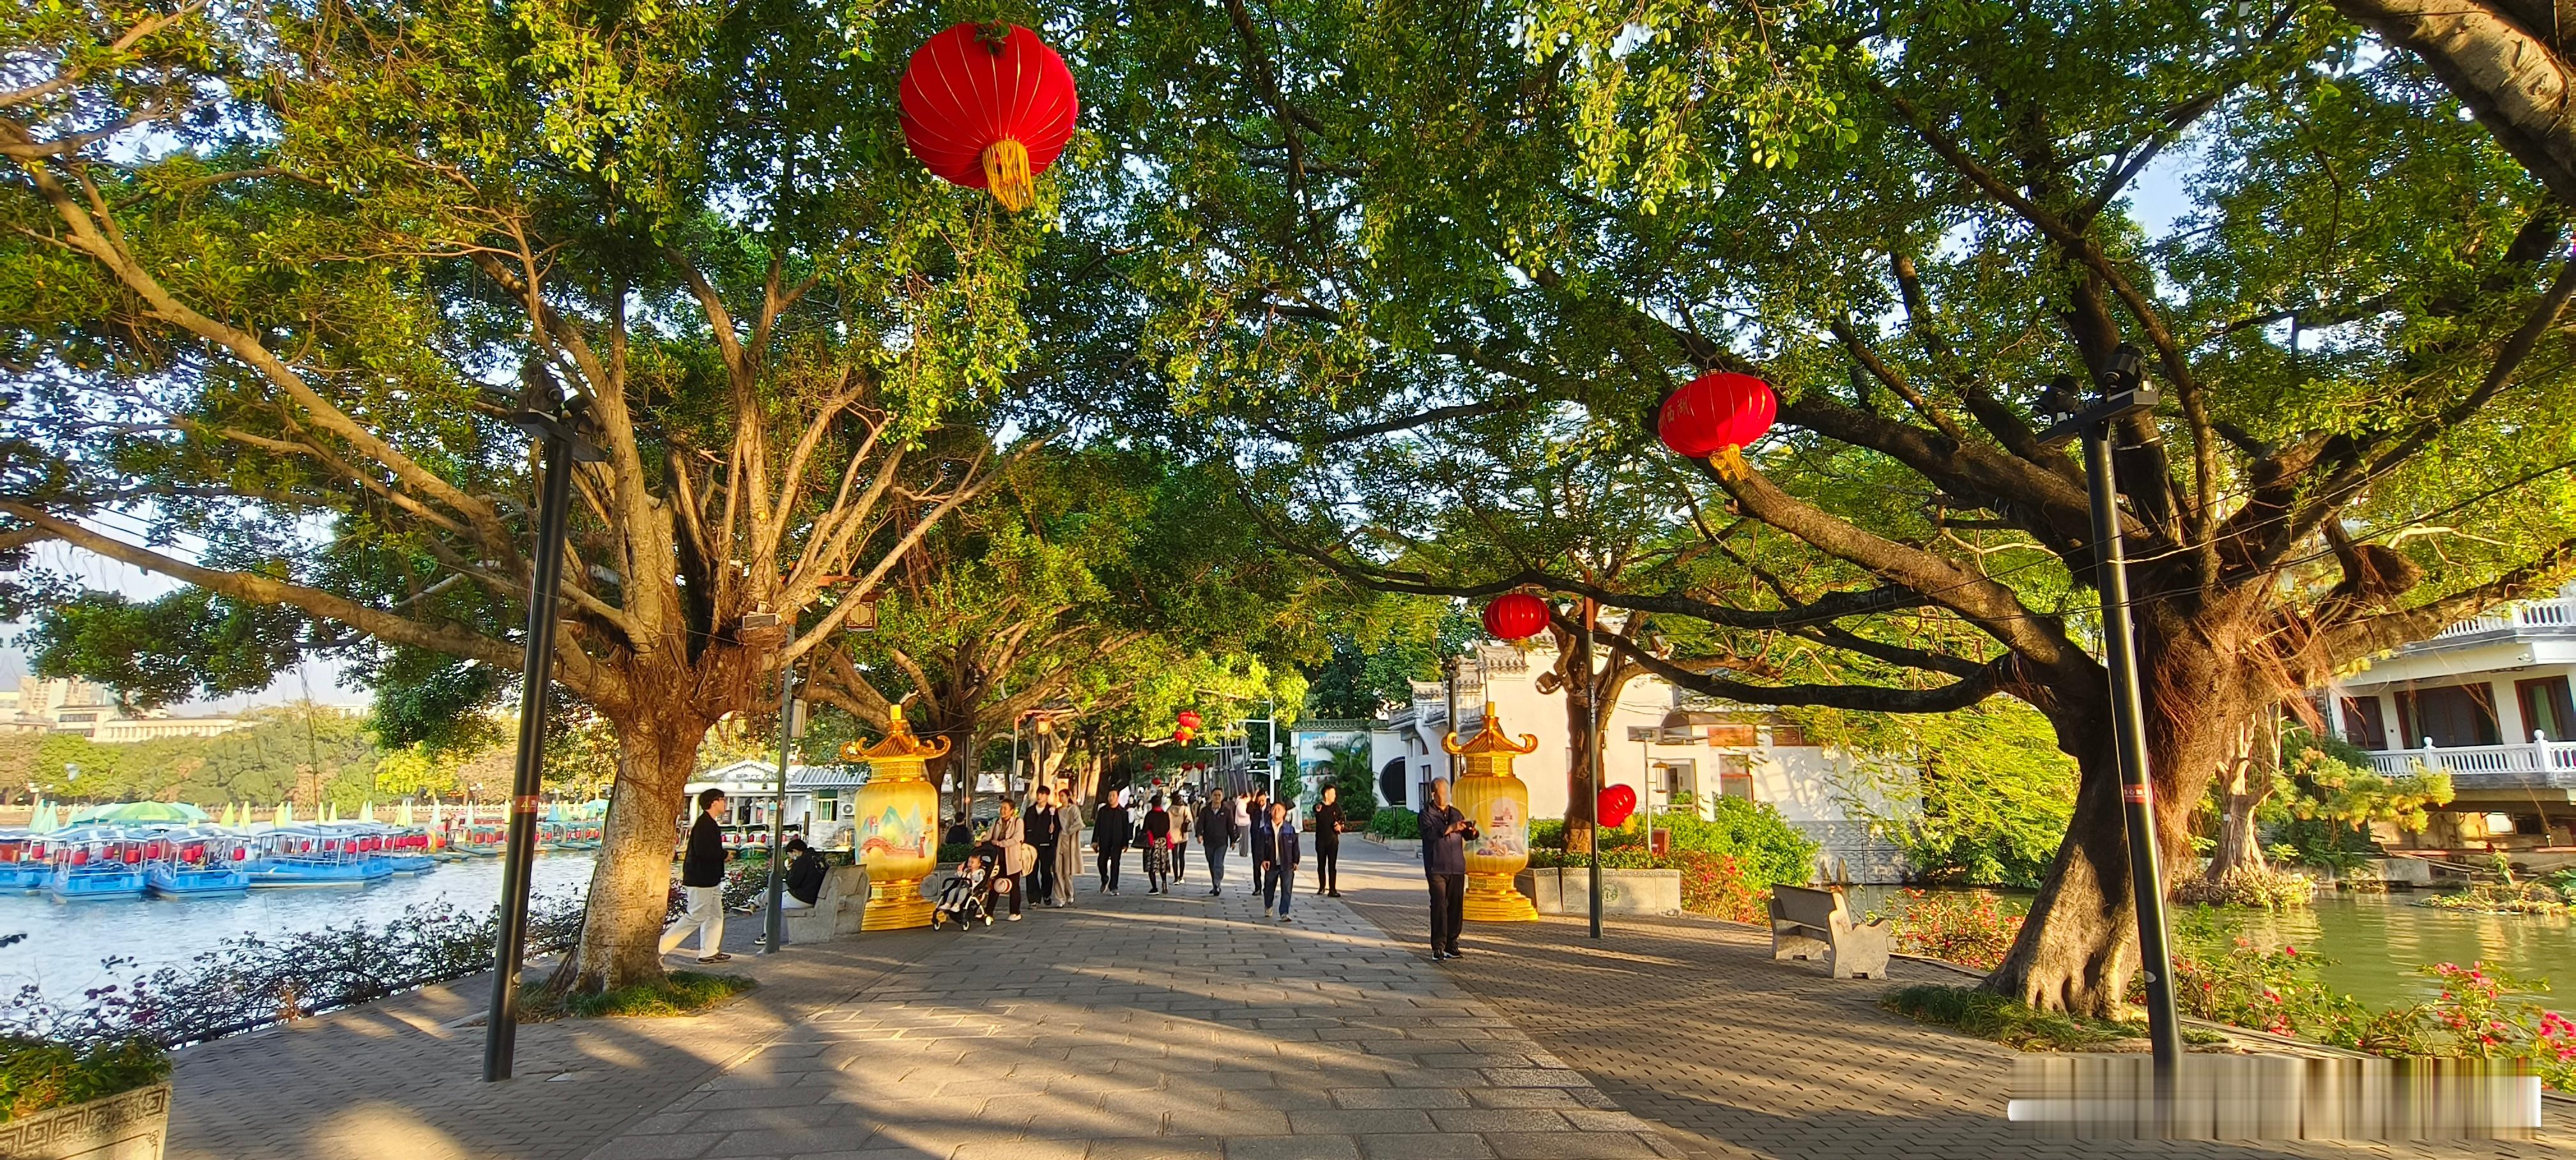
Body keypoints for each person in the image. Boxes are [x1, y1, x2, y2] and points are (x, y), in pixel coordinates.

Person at [659, 788, 733, 963]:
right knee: (696, 915)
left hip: (711, 879)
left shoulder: (710, 823)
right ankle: (660, 947)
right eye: (723, 800)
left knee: (715, 915)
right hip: (700, 879)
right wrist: (724, 855)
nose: (725, 803)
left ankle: (709, 951)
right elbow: (704, 851)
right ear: (714, 802)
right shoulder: (704, 825)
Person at [1420, 777, 1477, 960]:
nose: (1446, 797)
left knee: (1456, 907)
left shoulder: (1456, 813)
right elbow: (1429, 834)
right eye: (1443, 793)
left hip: (1457, 867)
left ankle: (1452, 943)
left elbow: (1467, 836)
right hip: (1437, 867)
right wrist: (1450, 828)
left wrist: (1471, 832)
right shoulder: (1426, 814)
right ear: (1434, 794)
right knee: (1439, 905)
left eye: (1448, 793)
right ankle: (1438, 946)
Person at [1253, 800, 1301, 922]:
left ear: (1285, 812)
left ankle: (1284, 912)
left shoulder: (1290, 829)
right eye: (1274, 809)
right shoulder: (1264, 830)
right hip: (1271, 864)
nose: (1276, 811)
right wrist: (1263, 860)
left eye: (1279, 809)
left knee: (1287, 888)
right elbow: (1259, 847)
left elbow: (1296, 846)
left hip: (1287, 864)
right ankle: (1268, 905)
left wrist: (1296, 861)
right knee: (1269, 888)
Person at [988, 798, 1027, 920]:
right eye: (1001, 808)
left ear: (1012, 811)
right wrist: (982, 842)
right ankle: (988, 912)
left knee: (1014, 885)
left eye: (1005, 808)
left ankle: (1015, 912)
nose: (1002, 811)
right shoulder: (997, 823)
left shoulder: (1018, 822)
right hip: (998, 859)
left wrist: (1000, 843)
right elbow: (989, 836)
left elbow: (1017, 838)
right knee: (995, 885)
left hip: (1013, 859)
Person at [1048, 782, 1084, 906]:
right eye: (1059, 796)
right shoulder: (1056, 812)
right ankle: (1060, 898)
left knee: (1067, 872)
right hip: (1058, 844)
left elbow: (1079, 823)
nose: (1061, 798)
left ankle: (1070, 894)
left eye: (1062, 796)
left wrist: (1068, 830)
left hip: (1069, 844)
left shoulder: (1073, 809)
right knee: (1057, 871)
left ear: (1068, 797)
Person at [1197, 790, 1238, 895]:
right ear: (1211, 796)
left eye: (1219, 795)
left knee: (1218, 864)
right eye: (1215, 795)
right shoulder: (1205, 810)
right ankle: (1215, 884)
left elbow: (1231, 826)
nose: (1217, 797)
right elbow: (1200, 823)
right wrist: (1199, 835)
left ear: (1223, 797)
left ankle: (1217, 884)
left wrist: (1233, 840)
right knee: (1211, 864)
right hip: (1209, 841)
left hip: (1221, 842)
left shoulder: (1227, 811)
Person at [1092, 790, 1132, 895]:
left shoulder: (1123, 812)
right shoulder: (1102, 811)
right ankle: (1104, 878)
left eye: (1113, 796)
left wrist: (1125, 843)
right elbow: (1097, 826)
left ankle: (1113, 886)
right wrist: (1094, 841)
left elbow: (1126, 829)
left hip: (1117, 842)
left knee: (1115, 863)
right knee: (1101, 862)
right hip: (1104, 840)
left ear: (1118, 797)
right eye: (1109, 795)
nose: (1111, 798)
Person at [1026, 787, 1061, 904]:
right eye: (1038, 793)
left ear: (1047, 796)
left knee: (1045, 871)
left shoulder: (1052, 812)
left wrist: (1053, 842)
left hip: (1047, 845)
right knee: (1031, 872)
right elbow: (1025, 827)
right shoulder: (1030, 811)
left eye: (1042, 794)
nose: (1040, 796)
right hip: (1031, 845)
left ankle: (1046, 893)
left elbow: (1058, 829)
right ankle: (1033, 898)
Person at [1312, 785, 1346, 897]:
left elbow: (1342, 820)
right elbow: (1315, 809)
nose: (1335, 796)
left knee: (1332, 865)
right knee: (1321, 864)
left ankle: (1333, 889)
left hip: (1333, 841)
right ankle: (1322, 887)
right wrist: (1317, 809)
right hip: (1321, 841)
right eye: (1332, 793)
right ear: (1326, 794)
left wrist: (1340, 826)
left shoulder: (1336, 807)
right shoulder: (1319, 807)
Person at [1140, 793, 1175, 894]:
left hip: (1152, 843)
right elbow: (1168, 828)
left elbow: (1145, 830)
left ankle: (1154, 888)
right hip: (1163, 843)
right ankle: (1164, 883)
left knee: (1152, 866)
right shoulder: (1165, 815)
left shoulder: (1150, 815)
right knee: (1162, 865)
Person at [1168, 793, 1193, 885]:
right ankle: (1181, 877)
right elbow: (1190, 820)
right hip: (1183, 835)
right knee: (1182, 855)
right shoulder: (1185, 809)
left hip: (1172, 835)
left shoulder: (1170, 810)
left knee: (1175, 856)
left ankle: (1175, 878)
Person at [1230, 792, 1252, 857]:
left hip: (1243, 823)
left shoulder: (1242, 803)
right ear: (1245, 798)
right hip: (1243, 823)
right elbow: (1242, 813)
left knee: (1245, 839)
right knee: (1244, 839)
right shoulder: (1241, 803)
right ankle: (1243, 853)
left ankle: (1244, 852)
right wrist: (1249, 814)